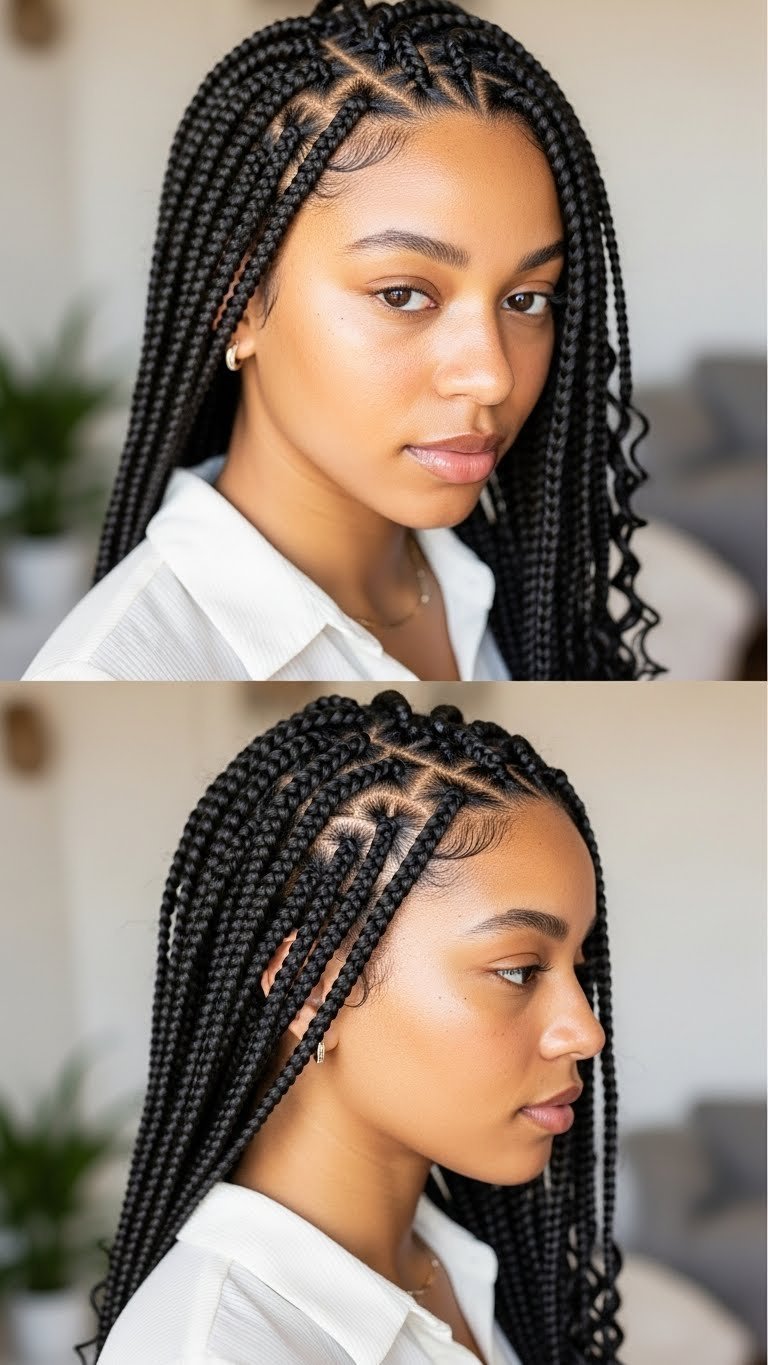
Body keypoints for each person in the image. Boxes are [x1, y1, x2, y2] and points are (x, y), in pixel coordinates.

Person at [25, 0, 660, 683]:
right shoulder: (114, 676)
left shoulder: (515, 591)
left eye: (526, 299)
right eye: (403, 295)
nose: (492, 376)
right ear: (235, 302)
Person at [82, 689, 621, 1364]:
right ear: (314, 983)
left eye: (580, 962)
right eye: (519, 969)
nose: (585, 1031)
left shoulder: (474, 1259)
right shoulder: (212, 1349)